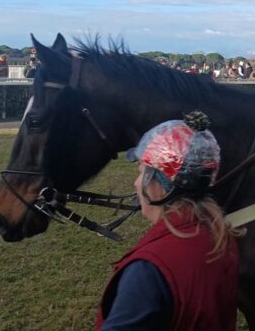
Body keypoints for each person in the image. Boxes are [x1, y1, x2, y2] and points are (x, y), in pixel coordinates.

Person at [97, 114, 240, 330]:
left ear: (162, 184)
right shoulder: (219, 235)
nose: (136, 183)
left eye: (141, 172)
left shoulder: (148, 271)